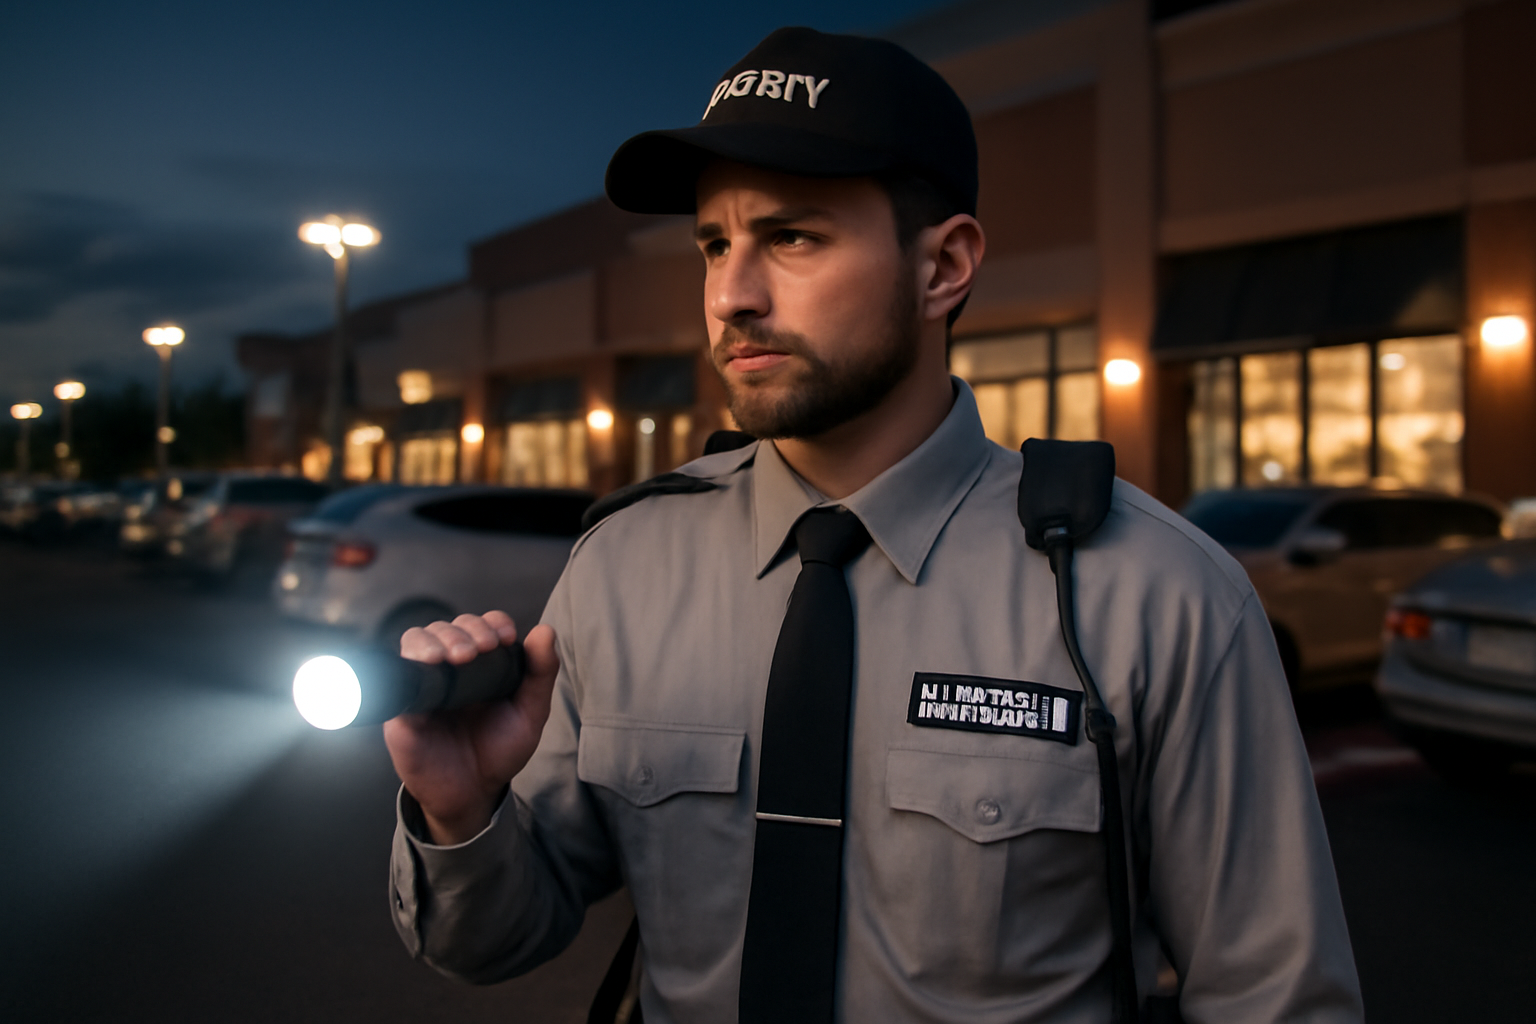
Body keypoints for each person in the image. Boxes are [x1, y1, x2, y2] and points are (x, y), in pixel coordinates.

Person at [383, 26, 1364, 1024]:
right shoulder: (622, 568)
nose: (732, 295)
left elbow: (1276, 999)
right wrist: (461, 809)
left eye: (792, 237)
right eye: (714, 244)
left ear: (945, 267)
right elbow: (493, 936)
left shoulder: (1150, 591)